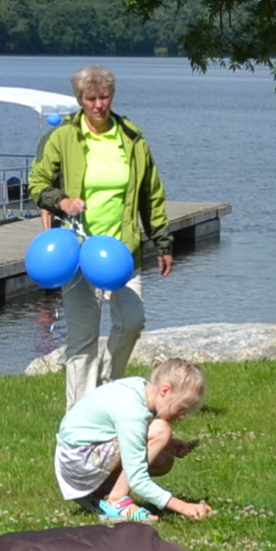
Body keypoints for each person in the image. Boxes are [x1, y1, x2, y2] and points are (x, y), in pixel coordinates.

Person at [28, 65, 173, 403]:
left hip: (122, 250)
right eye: (90, 98)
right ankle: (77, 419)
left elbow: (152, 194)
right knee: (82, 339)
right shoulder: (63, 137)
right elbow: (37, 183)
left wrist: (163, 242)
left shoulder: (131, 138)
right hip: (76, 253)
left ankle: (108, 384)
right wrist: (61, 201)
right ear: (80, 99)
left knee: (132, 322)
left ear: (112, 95)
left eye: (104, 96)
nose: (98, 104)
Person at [54, 355, 210, 526]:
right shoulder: (133, 412)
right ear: (165, 390)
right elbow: (137, 478)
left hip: (74, 458)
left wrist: (169, 444)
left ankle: (96, 495)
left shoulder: (139, 387)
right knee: (161, 430)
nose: (181, 417)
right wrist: (184, 507)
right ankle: (117, 502)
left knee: (163, 460)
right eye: (181, 408)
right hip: (78, 462)